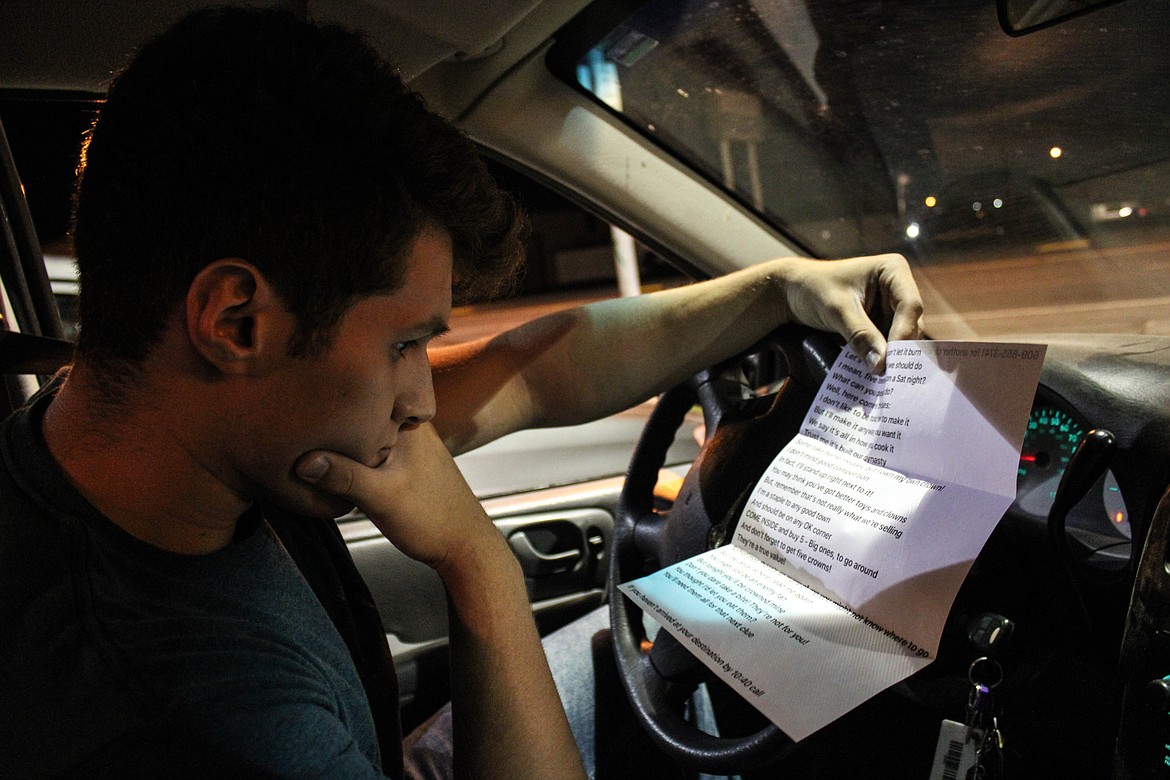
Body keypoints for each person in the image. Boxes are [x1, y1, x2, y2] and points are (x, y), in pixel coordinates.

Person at [0, 7, 923, 779]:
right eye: (406, 344)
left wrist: (775, 286)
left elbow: (539, 369)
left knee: (618, 648)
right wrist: (479, 568)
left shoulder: (200, 437)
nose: (421, 398)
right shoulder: (206, 723)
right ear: (234, 320)